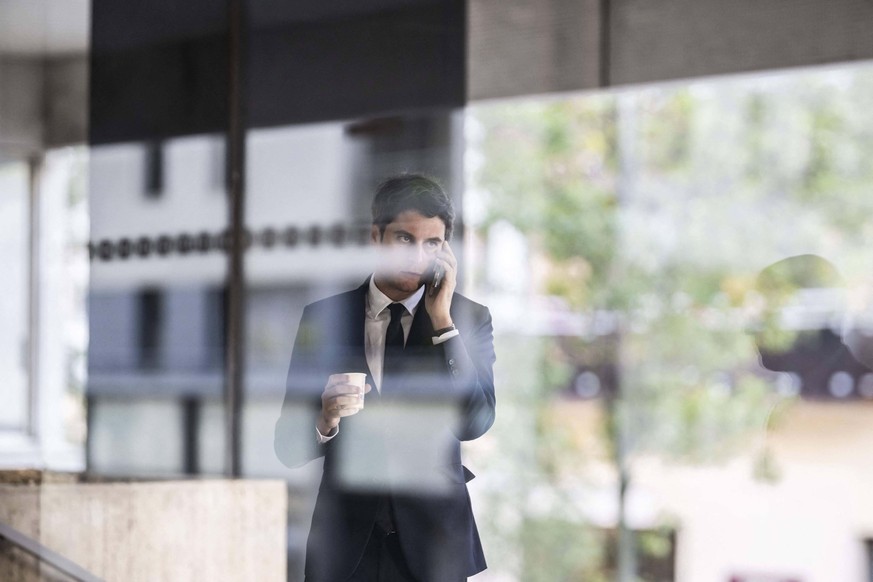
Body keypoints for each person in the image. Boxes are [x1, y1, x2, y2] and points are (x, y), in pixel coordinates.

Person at [275, 174, 496, 582]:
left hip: (433, 550)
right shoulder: (324, 319)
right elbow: (287, 446)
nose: (418, 256)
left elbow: (475, 423)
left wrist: (443, 323)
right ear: (376, 236)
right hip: (344, 549)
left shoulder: (468, 320)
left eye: (433, 243)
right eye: (404, 239)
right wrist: (324, 419)